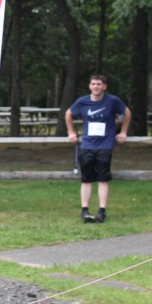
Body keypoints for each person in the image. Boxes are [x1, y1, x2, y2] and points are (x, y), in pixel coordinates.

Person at [65, 74, 131, 223]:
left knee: (103, 179)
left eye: (99, 84)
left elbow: (127, 112)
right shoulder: (82, 101)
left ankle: (102, 211)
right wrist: (71, 132)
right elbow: (68, 113)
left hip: (105, 145)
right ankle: (85, 210)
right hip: (87, 145)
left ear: (104, 86)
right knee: (86, 179)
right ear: (90, 86)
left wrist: (123, 132)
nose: (96, 87)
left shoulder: (112, 100)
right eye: (93, 84)